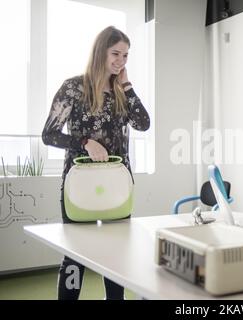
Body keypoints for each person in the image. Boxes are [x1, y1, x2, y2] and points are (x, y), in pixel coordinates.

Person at [42, 26, 150, 299]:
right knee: (75, 257)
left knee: (116, 256)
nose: (121, 61)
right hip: (80, 186)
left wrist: (127, 86)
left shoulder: (121, 92)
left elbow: (144, 124)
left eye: (126, 56)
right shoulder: (73, 88)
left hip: (117, 186)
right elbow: (49, 135)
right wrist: (85, 142)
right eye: (116, 53)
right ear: (100, 50)